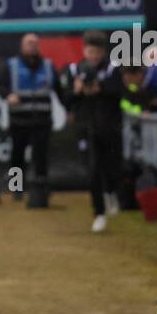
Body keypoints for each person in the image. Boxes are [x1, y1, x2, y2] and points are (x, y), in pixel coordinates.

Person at [68, 31, 124, 233]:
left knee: (110, 167)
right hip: (86, 128)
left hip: (109, 128)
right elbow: (67, 99)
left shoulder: (112, 68)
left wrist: (100, 90)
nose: (94, 56)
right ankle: (99, 213)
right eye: (90, 51)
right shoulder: (75, 70)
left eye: (97, 52)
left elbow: (118, 93)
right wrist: (76, 92)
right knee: (92, 170)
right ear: (84, 50)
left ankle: (110, 192)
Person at [0, 32, 60, 198]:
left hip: (42, 121)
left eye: (34, 43)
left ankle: (41, 189)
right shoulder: (12, 65)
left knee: (41, 157)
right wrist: (8, 95)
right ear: (22, 46)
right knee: (17, 156)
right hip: (19, 120)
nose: (32, 46)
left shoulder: (47, 65)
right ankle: (16, 189)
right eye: (28, 43)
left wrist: (69, 108)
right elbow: (0, 86)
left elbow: (59, 90)